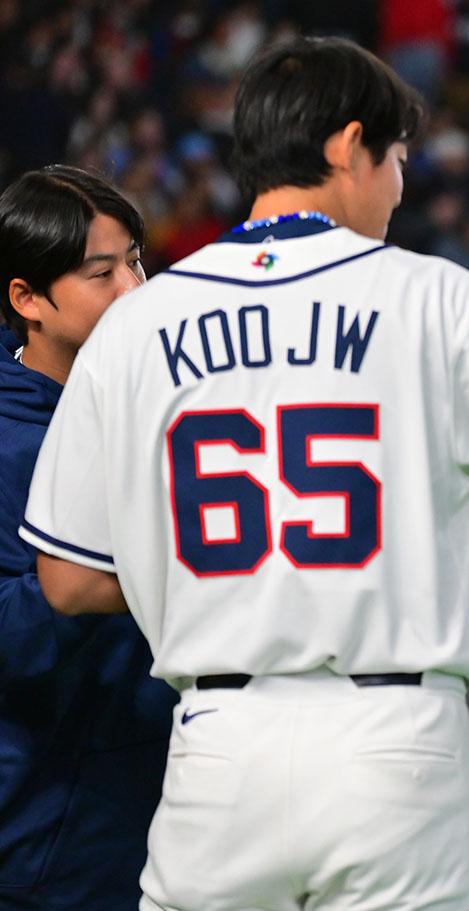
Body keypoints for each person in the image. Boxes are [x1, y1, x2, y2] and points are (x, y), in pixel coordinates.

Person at [20, 37, 469, 911]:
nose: (400, 183)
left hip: (219, 743)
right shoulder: (439, 301)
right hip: (393, 744)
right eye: (396, 156)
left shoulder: (137, 325)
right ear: (346, 147)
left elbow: (68, 581)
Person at [0, 165, 177, 910]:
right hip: (44, 828)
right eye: (101, 272)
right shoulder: (11, 441)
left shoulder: (178, 410)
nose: (134, 288)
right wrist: (125, 578)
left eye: (136, 259)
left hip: (165, 809)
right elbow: (13, 634)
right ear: (27, 298)